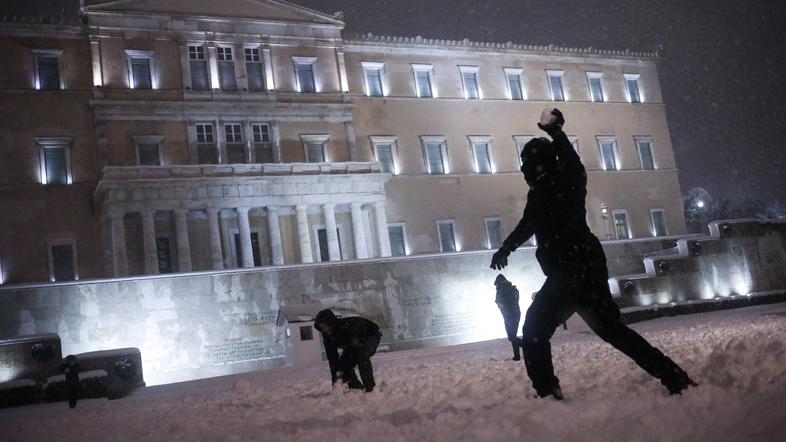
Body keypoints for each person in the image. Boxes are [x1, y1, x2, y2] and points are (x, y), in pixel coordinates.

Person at [490, 108, 696, 400]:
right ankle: (674, 377)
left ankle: (547, 393)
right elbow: (528, 224)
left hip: (572, 269)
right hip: (579, 267)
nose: (523, 169)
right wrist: (506, 248)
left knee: (535, 330)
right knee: (612, 331)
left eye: (526, 162)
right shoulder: (540, 192)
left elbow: (573, 165)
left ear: (539, 163)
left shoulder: (565, 180)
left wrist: (557, 133)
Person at [314, 309, 382, 393]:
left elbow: (357, 347)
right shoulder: (327, 336)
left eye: (324, 327)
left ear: (330, 322)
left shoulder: (346, 326)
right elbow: (332, 358)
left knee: (362, 355)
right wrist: (335, 380)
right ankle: (355, 388)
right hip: (353, 344)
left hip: (371, 335)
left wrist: (352, 357)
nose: (323, 330)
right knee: (343, 365)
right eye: (321, 328)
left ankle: (370, 388)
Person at [494, 274, 523, 360]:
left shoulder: (500, 290)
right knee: (513, 336)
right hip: (516, 314)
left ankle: (527, 347)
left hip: (508, 316)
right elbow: (515, 300)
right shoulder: (513, 289)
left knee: (511, 337)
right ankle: (517, 356)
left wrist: (499, 303)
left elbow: (500, 302)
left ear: (498, 283)